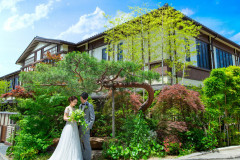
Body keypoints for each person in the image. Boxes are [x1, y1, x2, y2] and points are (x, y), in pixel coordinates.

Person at [49, 96, 83, 160]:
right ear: (71, 101)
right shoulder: (67, 108)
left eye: (76, 102)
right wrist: (71, 119)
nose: (75, 103)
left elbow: (77, 118)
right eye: (74, 102)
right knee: (67, 140)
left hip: (74, 127)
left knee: (74, 141)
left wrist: (77, 119)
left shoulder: (75, 109)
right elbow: (64, 118)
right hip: (69, 126)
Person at [78, 92, 95, 160]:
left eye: (82, 99)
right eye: (80, 99)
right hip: (80, 127)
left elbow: (92, 118)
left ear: (86, 99)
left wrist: (88, 127)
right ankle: (82, 157)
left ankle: (88, 158)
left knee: (86, 143)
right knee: (79, 142)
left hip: (86, 127)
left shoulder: (90, 105)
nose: (81, 100)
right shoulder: (80, 105)